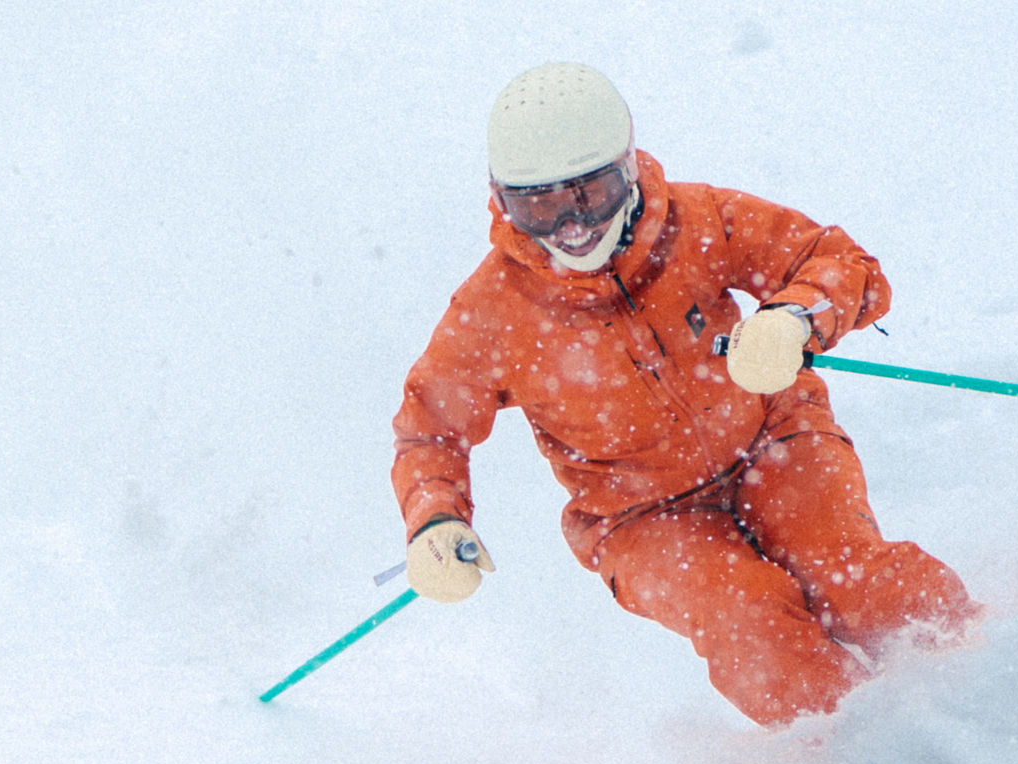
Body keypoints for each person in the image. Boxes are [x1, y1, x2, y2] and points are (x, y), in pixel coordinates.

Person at [391, 62, 978, 727]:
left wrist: (794, 319)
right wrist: (434, 519)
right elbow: (430, 430)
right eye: (540, 207)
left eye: (590, 194)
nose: (572, 227)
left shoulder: (696, 224)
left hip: (773, 440)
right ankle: (871, 755)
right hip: (642, 518)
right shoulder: (495, 309)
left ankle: (983, 677)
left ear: (627, 169)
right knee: (749, 621)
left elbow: (842, 265)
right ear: (502, 201)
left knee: (852, 579)